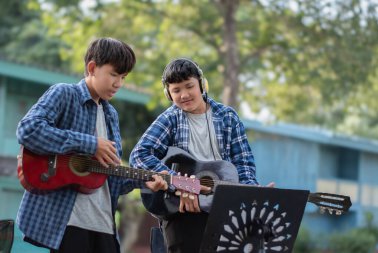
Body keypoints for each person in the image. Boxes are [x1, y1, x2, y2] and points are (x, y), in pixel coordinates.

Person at [16, 37, 168, 253]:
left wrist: (145, 182)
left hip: (104, 224)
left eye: (123, 77)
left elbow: (110, 177)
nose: (118, 84)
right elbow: (28, 130)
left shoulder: (111, 114)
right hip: (69, 223)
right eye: (114, 74)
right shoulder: (64, 94)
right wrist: (90, 144)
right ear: (92, 68)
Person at [129, 58, 266, 253]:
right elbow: (139, 154)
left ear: (202, 84)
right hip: (182, 210)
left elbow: (243, 163)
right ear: (168, 94)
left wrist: (252, 193)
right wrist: (181, 184)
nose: (184, 95)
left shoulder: (228, 116)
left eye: (189, 86)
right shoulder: (170, 118)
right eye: (176, 90)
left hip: (223, 209)